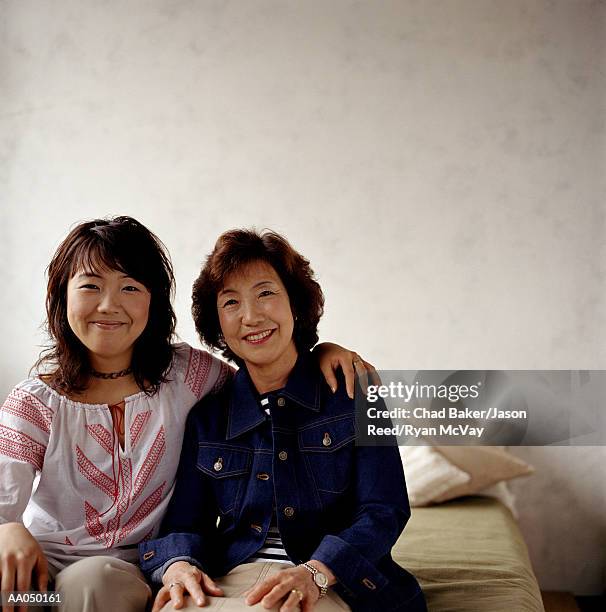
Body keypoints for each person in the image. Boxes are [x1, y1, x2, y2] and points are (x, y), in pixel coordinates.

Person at [0, 217, 368, 612]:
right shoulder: (36, 402)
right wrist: (7, 528)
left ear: (153, 301)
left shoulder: (188, 378)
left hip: (121, 575)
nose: (109, 305)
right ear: (62, 294)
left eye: (130, 287)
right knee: (19, 598)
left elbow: (264, 371)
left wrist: (321, 352)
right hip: (41, 574)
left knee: (90, 587)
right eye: (90, 286)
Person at [140, 229, 426, 612]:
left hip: (333, 581)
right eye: (230, 303)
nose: (251, 316)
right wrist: (177, 565)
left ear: (295, 302)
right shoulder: (208, 416)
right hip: (232, 577)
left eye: (266, 293)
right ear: (218, 323)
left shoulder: (356, 395)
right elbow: (185, 522)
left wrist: (316, 572)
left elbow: (384, 510)